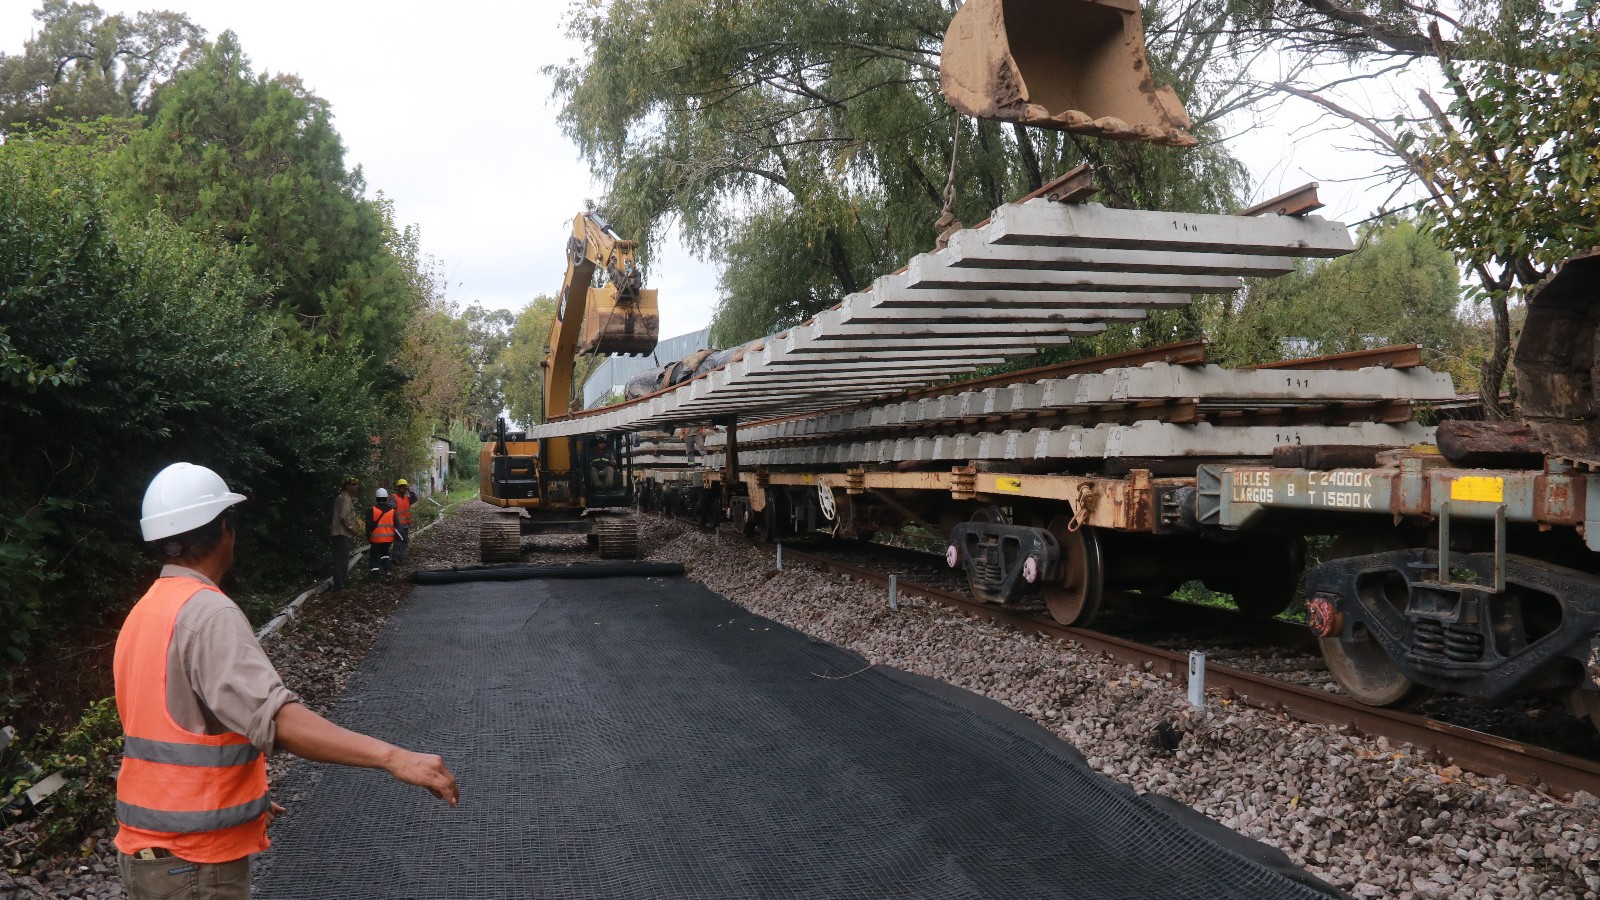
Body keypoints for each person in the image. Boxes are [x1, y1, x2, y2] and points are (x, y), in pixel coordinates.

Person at [115, 463, 458, 899]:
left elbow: (180, 727)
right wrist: (394, 758)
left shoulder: (144, 613)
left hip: (147, 852)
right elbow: (279, 721)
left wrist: (241, 804)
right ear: (225, 529)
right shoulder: (207, 614)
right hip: (194, 863)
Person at [329, 476, 362, 591]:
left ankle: (341, 584)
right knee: (341, 560)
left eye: (356, 484)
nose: (356, 486)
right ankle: (339, 585)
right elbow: (344, 517)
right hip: (341, 534)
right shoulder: (345, 498)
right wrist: (353, 530)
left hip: (342, 534)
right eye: (353, 484)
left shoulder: (345, 498)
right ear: (347, 486)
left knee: (343, 559)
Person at [370, 488, 397, 578]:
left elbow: (368, 526)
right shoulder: (392, 511)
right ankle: (388, 570)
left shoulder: (372, 510)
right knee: (385, 554)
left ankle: (375, 575)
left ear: (377, 498)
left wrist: (368, 537)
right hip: (388, 539)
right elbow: (397, 525)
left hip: (376, 539)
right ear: (386, 498)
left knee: (374, 556)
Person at [392, 479, 413, 561]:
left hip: (406, 524)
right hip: (398, 524)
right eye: (402, 487)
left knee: (404, 540)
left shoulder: (407, 498)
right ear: (398, 488)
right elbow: (391, 509)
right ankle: (395, 558)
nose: (403, 489)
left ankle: (401, 557)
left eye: (405, 487)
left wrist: (409, 490)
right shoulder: (394, 497)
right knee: (398, 541)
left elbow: (414, 498)